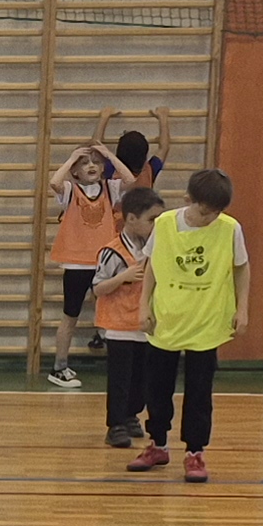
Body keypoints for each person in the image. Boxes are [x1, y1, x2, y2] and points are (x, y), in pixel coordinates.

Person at [127, 163, 245, 482]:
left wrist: (242, 308)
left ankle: (195, 452)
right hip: (167, 318)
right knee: (157, 388)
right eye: (205, 211)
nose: (210, 218)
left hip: (207, 320)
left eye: (216, 212)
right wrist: (144, 305)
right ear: (188, 199)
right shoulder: (165, 224)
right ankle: (158, 444)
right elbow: (151, 267)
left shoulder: (230, 228)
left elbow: (241, 267)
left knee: (199, 392)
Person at [45, 135, 124, 389]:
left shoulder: (110, 189)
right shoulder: (71, 191)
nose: (91, 165)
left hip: (103, 264)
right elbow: (54, 182)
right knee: (70, 316)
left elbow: (131, 180)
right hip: (77, 265)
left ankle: (120, 366)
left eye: (96, 162)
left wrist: (109, 155)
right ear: (76, 171)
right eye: (85, 162)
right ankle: (59, 367)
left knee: (112, 315)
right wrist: (71, 159)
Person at [94, 180, 163, 449]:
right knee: (120, 379)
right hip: (119, 326)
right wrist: (123, 277)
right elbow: (98, 288)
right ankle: (116, 424)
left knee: (141, 379)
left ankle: (132, 414)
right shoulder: (112, 252)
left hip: (145, 325)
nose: (156, 225)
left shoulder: (156, 249)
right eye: (152, 219)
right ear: (131, 218)